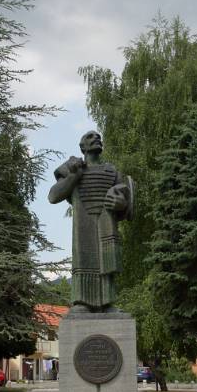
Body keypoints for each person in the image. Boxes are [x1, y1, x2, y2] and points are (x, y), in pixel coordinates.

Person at [48, 130, 133, 312]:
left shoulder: (112, 171)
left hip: (106, 221)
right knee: (84, 259)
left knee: (106, 260)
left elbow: (126, 200)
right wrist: (74, 175)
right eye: (90, 137)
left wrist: (120, 203)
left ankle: (108, 303)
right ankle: (82, 303)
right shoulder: (71, 167)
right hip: (83, 221)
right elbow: (54, 196)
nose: (96, 138)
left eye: (98, 137)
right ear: (82, 147)